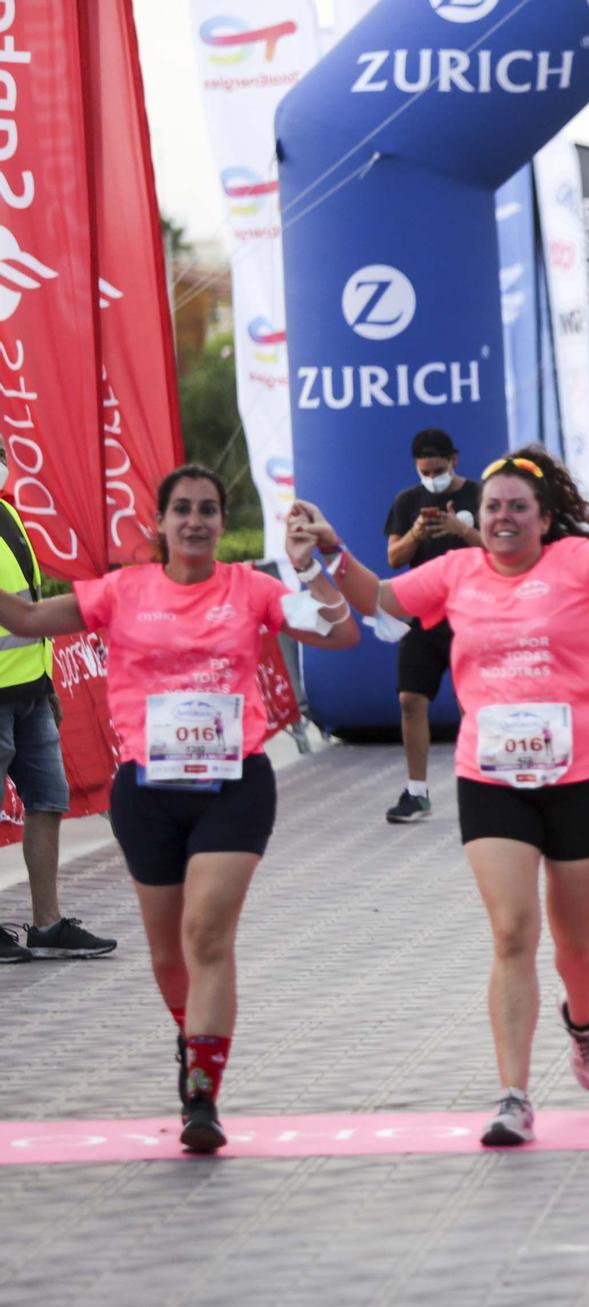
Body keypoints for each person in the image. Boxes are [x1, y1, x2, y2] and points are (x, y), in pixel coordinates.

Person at [293, 442, 589, 1147]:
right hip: (492, 776)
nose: (502, 517)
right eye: (493, 507)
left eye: (517, 508)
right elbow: (379, 599)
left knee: (574, 941)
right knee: (511, 932)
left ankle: (583, 1019)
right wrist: (332, 548)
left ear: (543, 516)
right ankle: (513, 1095)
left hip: (587, 776)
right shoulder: (457, 572)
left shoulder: (581, 561)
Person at [0, 465, 359, 1150]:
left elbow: (339, 634)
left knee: (206, 934)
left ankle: (202, 1090)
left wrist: (314, 568)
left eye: (208, 510)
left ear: (223, 524)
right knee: (169, 954)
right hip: (149, 793)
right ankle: (191, 1033)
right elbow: (23, 617)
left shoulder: (251, 588)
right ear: (159, 525)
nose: (195, 520)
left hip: (235, 787)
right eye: (182, 510)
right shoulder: (122, 591)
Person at [0, 454, 114, 964]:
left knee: (48, 800)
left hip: (29, 691)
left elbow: (30, 606)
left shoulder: (10, 513)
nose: (2, 461)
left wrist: (46, 685)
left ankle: (46, 925)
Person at [381, 428, 483, 825]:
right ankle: (417, 792)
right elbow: (392, 558)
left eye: (439, 469)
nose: (432, 477)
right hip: (424, 616)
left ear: (454, 460)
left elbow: (502, 549)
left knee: (473, 705)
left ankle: (482, 786)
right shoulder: (407, 501)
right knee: (409, 700)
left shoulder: (479, 494)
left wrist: (463, 531)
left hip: (471, 613)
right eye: (425, 471)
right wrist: (416, 533)